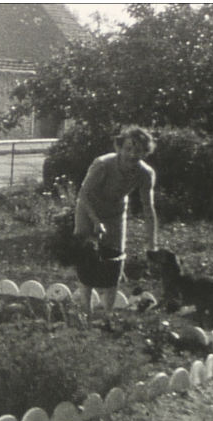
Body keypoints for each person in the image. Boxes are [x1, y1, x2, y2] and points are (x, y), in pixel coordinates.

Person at [73, 125, 158, 321]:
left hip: (115, 213)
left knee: (115, 260)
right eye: (128, 148)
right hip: (88, 210)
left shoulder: (145, 173)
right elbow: (83, 196)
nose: (132, 154)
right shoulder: (102, 164)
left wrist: (152, 243)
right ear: (119, 147)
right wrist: (95, 222)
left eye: (138, 150)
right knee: (87, 257)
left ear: (145, 152)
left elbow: (148, 208)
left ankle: (107, 315)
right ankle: (86, 311)